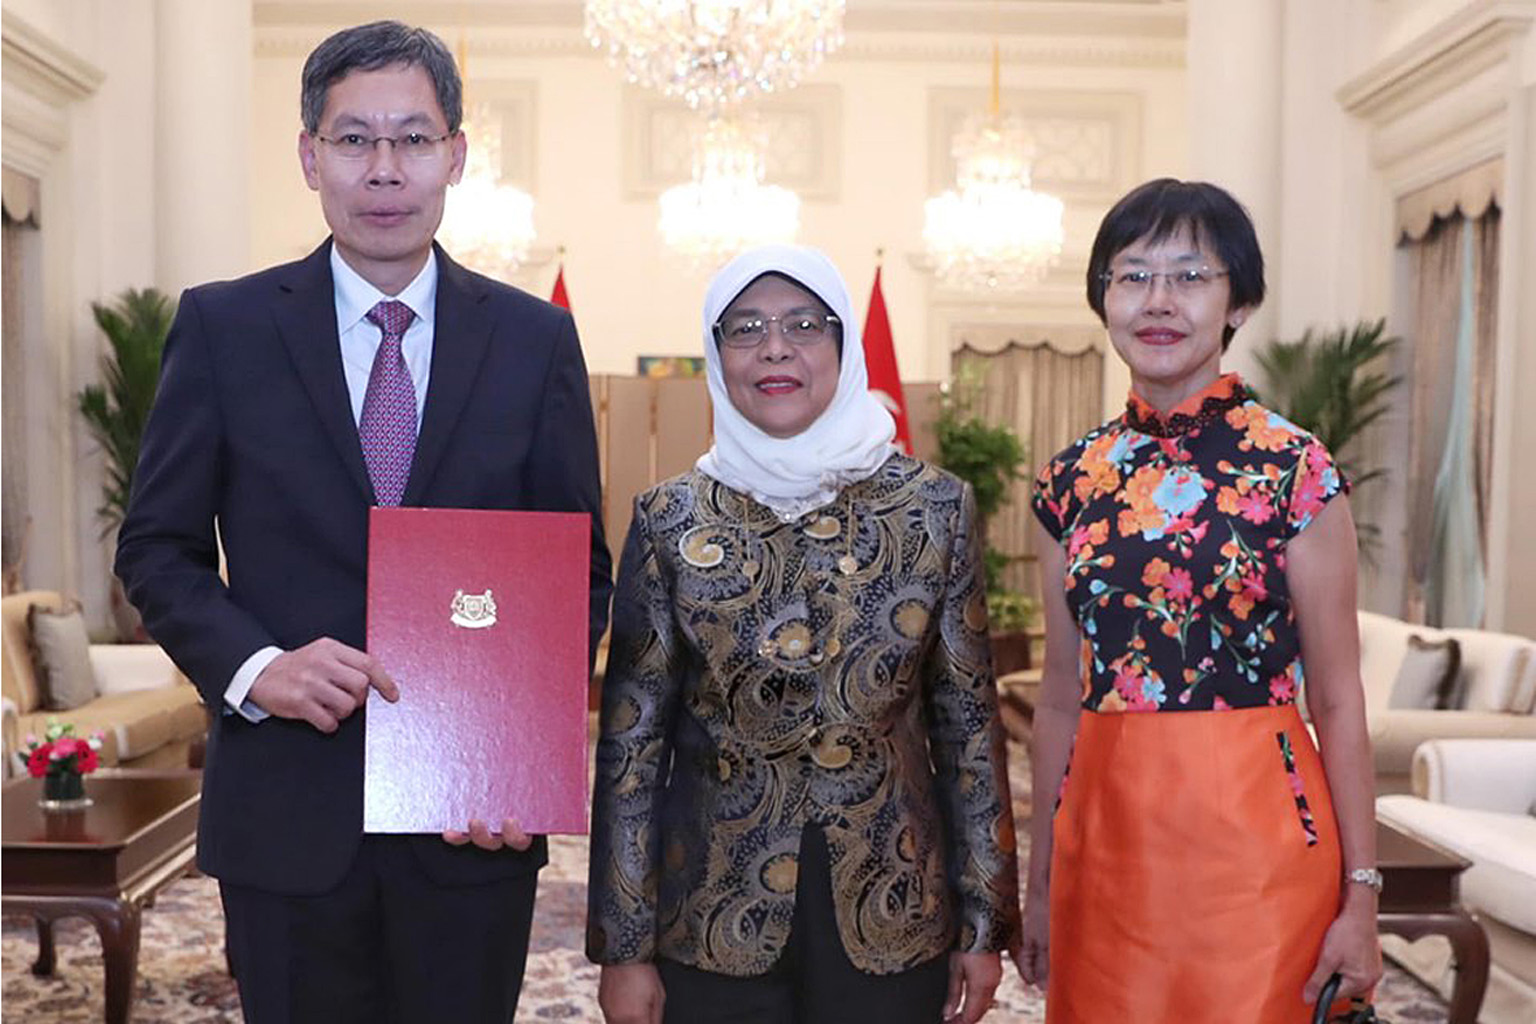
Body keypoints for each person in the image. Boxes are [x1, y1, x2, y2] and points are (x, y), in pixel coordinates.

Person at [114, 21, 612, 1023]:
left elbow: (578, 574)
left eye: (413, 139)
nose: (384, 168)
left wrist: (515, 753)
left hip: (472, 819)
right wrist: (257, 667)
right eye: (354, 139)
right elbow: (157, 548)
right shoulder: (224, 328)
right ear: (310, 157)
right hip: (286, 814)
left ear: (455, 156)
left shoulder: (535, 340)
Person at [586, 244, 1020, 1024]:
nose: (775, 347)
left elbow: (969, 732)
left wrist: (984, 924)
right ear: (717, 355)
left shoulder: (933, 510)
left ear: (843, 345)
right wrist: (623, 948)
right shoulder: (670, 519)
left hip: (894, 910)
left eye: (804, 325)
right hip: (710, 919)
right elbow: (632, 750)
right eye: (746, 328)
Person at [1014, 178, 1383, 1022]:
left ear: (1238, 302)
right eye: (1132, 275)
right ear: (1103, 299)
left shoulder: (1294, 469)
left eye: (1189, 275)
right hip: (1106, 842)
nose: (1159, 300)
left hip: (1260, 844)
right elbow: (1060, 697)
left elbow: (1337, 696)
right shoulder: (1071, 481)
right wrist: (1040, 886)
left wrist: (1361, 894)